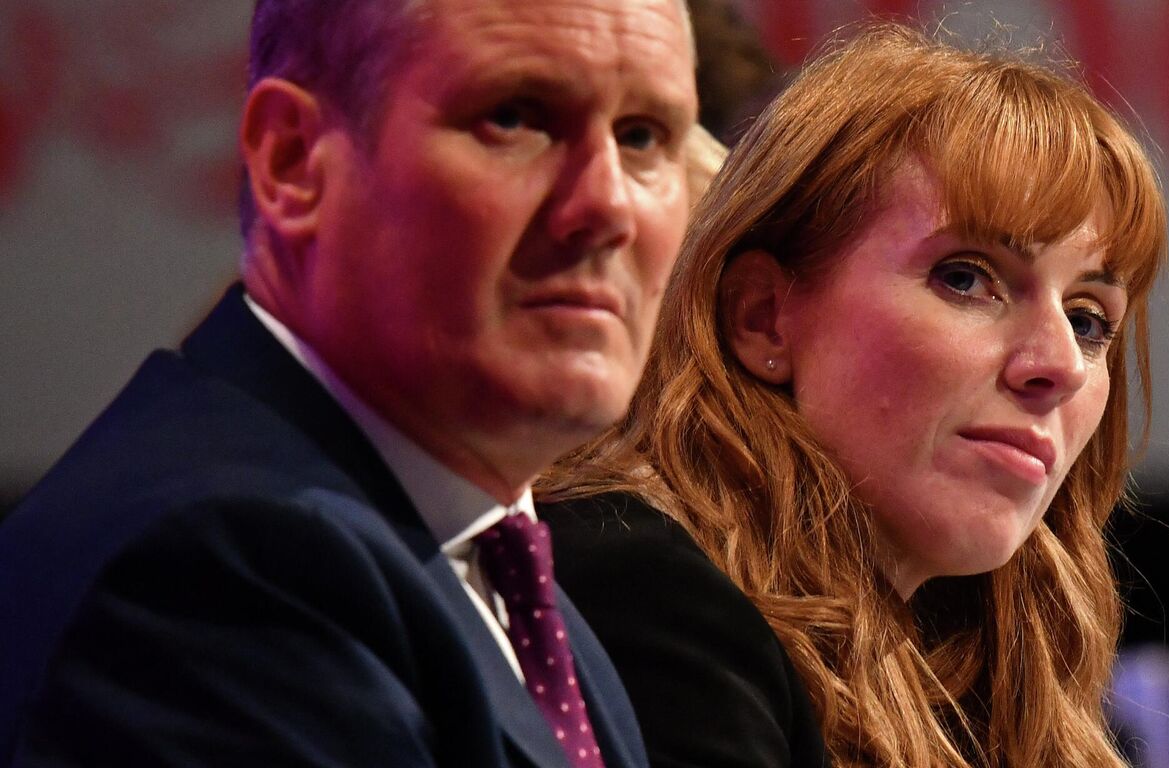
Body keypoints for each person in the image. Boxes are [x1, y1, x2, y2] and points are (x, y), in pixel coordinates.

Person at [0, 0, 699, 764]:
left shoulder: (505, 578)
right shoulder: (220, 567)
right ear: (291, 161)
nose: (606, 206)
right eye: (516, 117)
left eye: (642, 137)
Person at [542, 22, 1169, 767]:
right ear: (762, 316)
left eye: (1089, 320)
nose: (1058, 364)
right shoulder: (647, 588)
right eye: (966, 278)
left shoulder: (978, 666)